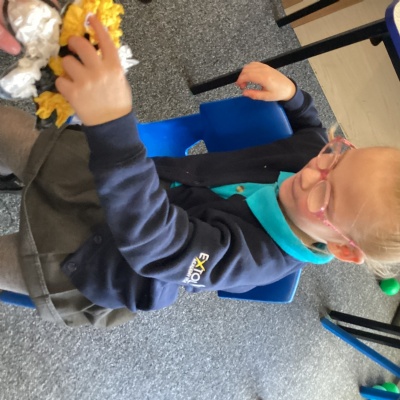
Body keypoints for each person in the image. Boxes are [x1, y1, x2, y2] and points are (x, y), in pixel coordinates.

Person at [0, 15, 399, 328]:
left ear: (343, 249)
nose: (311, 173)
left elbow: (157, 246)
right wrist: (293, 95)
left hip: (94, 262)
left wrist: (114, 127)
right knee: (12, 131)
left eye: (326, 196)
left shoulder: (257, 260)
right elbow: (311, 129)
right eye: (338, 156)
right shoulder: (313, 159)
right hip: (122, 180)